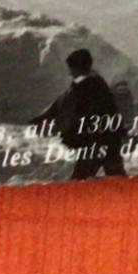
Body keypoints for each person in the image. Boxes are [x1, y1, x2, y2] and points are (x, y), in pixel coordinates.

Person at [36, 48, 127, 180]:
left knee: (80, 180)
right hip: (107, 140)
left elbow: (60, 107)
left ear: (77, 68)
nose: (69, 72)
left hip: (93, 142)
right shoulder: (98, 84)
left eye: (71, 68)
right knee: (117, 177)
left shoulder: (82, 88)